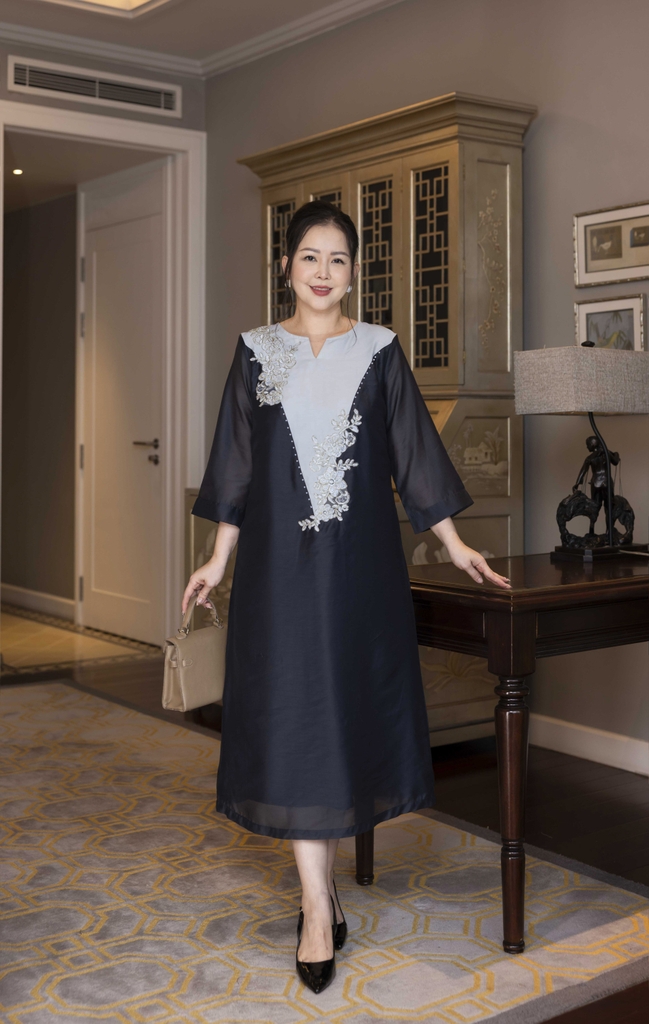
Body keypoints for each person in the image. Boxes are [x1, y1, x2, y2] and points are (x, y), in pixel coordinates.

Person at [183, 201, 510, 994]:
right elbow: (235, 463)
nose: (322, 272)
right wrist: (217, 559)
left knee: (339, 719)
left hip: (359, 571)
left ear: (353, 272)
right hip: (276, 572)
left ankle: (320, 894)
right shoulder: (254, 352)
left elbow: (414, 455)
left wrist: (456, 545)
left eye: (337, 259)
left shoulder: (380, 351)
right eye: (309, 257)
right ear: (286, 267)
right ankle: (315, 905)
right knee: (295, 720)